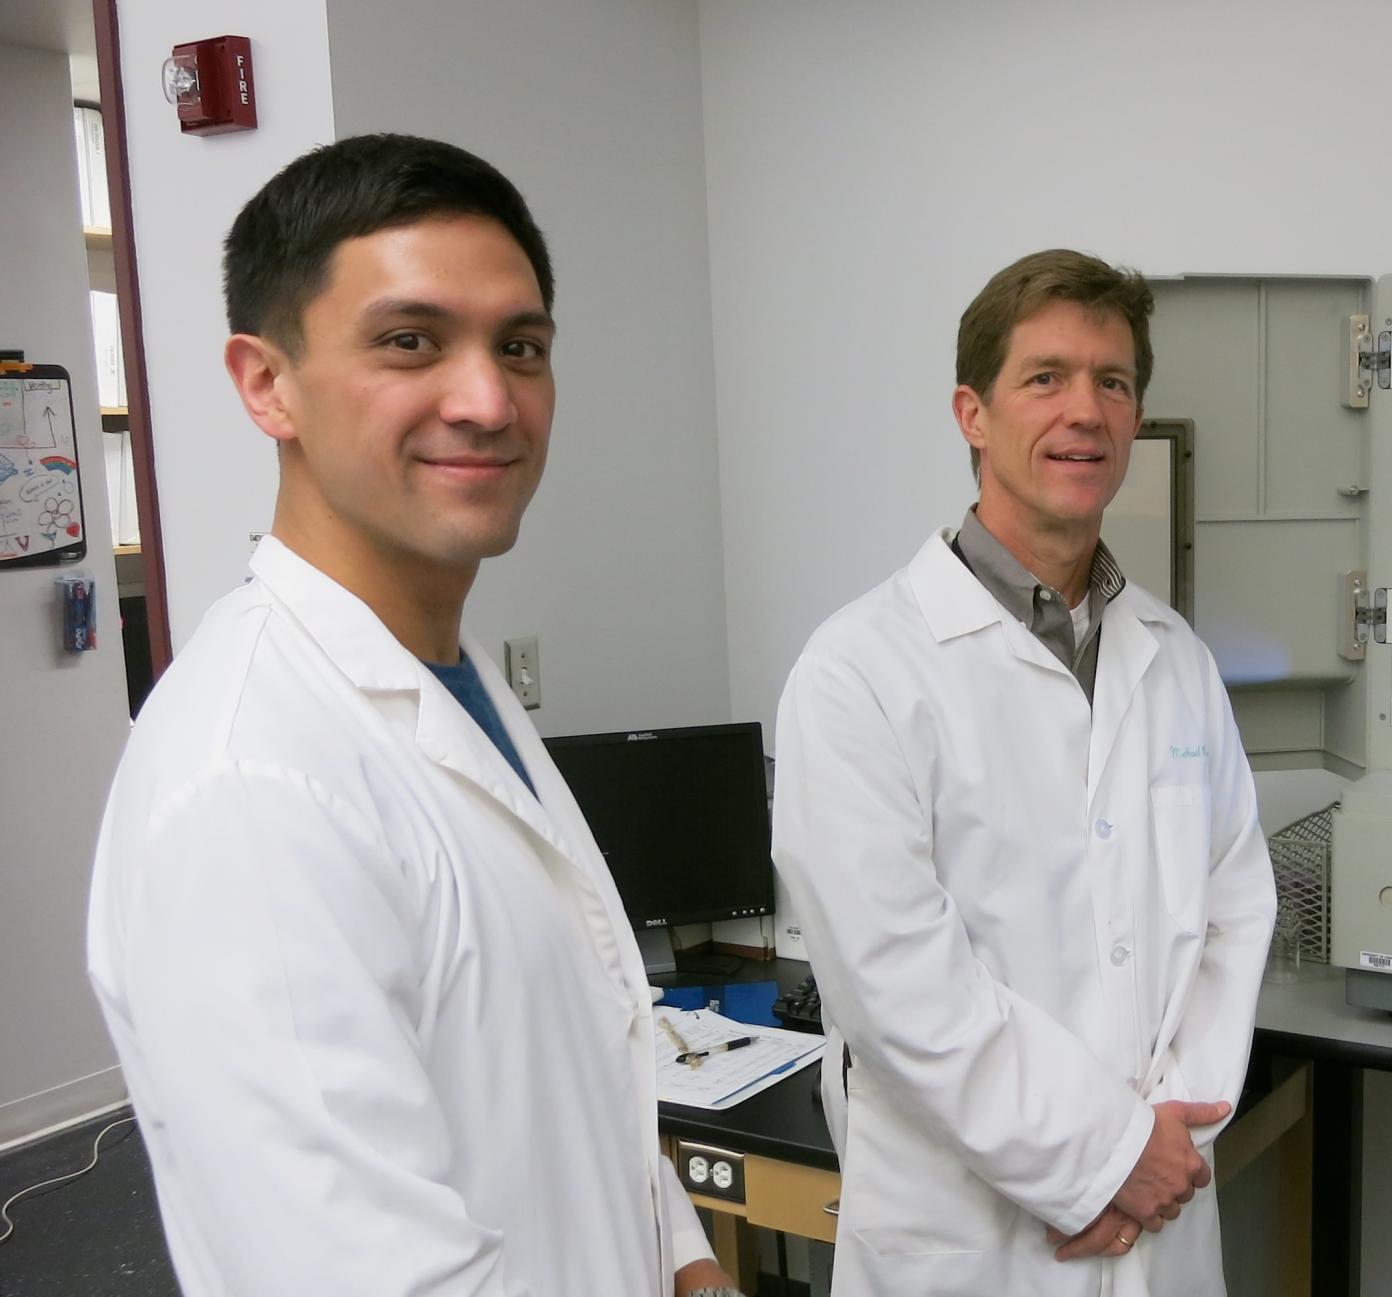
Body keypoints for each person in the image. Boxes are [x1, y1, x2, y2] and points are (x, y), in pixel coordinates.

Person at [85, 135, 739, 1297]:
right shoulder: (250, 784)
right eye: (409, 342)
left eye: (520, 347)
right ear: (265, 382)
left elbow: (579, 1074)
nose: (488, 401)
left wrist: (687, 1265)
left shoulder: (454, 685)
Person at [773, 249, 1278, 1296]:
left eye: (1113, 382)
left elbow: (1235, 911)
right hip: (972, 1236)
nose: (1085, 410)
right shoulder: (858, 671)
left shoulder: (1177, 660)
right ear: (973, 413)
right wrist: (1103, 1159)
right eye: (1045, 377)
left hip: (1161, 1206)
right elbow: (898, 987)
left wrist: (1163, 1145)